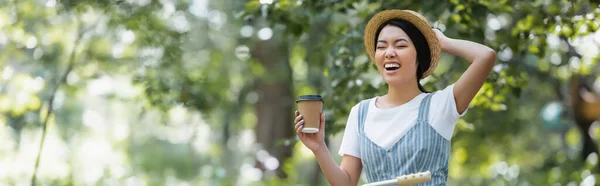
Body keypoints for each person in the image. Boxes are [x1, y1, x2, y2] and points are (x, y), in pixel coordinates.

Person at [294, 9, 496, 185]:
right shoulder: (361, 113)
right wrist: (319, 148)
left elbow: (485, 56)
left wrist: (440, 41)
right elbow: (346, 182)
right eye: (381, 47)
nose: (389, 52)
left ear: (419, 56)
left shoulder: (440, 105)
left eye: (400, 45)